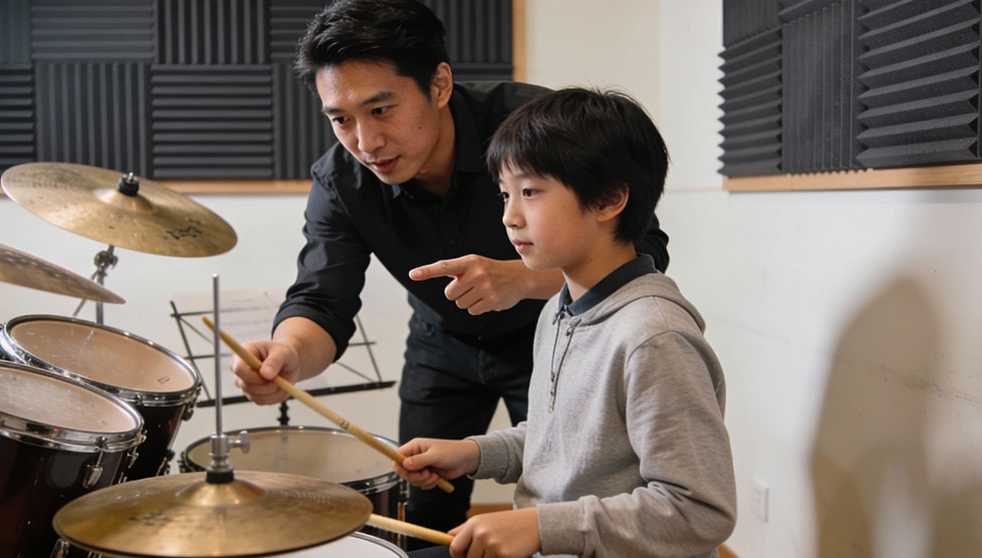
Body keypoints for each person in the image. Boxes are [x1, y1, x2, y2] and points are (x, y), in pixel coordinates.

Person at [229, 0, 671, 537]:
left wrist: (523, 281)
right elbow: (323, 299)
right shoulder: (341, 180)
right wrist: (289, 355)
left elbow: (644, 248)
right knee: (419, 504)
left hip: (555, 333)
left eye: (381, 110)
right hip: (442, 344)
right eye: (340, 119)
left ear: (439, 85)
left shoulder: (532, 126)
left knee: (574, 494)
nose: (365, 143)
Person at [391, 87, 735, 558]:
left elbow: (700, 512)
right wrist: (474, 453)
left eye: (530, 192)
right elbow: (563, 441)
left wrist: (540, 527)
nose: (509, 217)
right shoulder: (561, 307)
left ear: (609, 200)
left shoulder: (654, 337)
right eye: (505, 194)